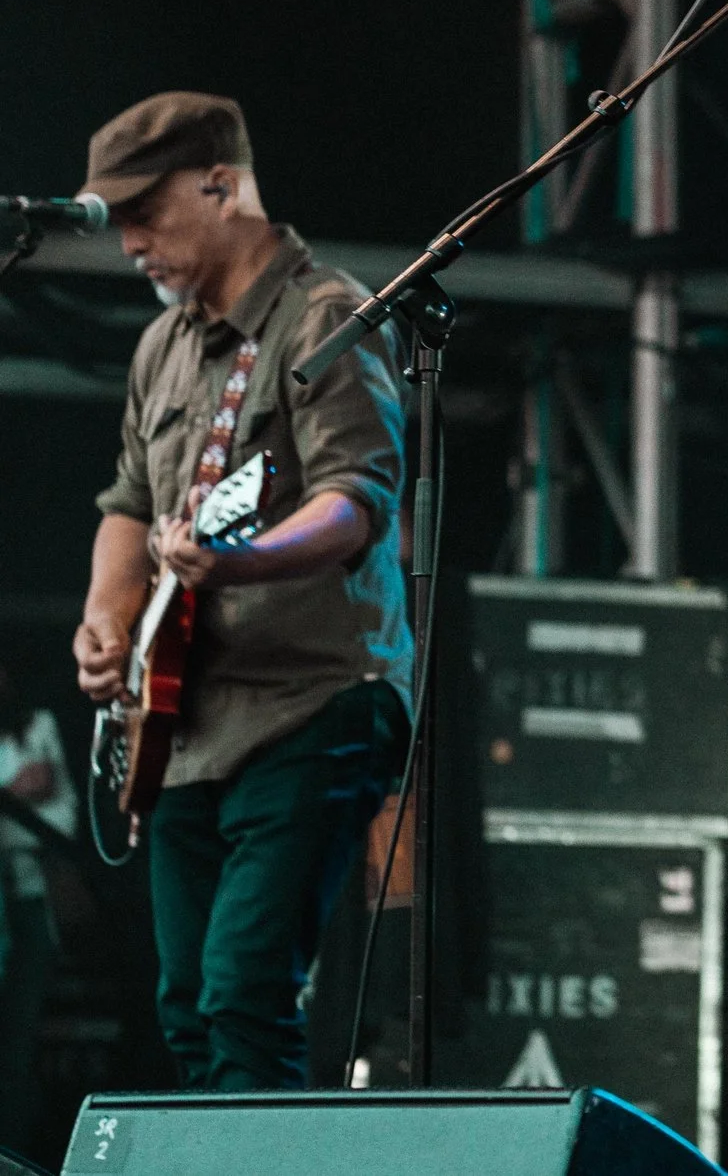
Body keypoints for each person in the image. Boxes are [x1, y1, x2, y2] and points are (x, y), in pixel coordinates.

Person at [68, 92, 411, 1091]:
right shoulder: (162, 346)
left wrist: (244, 561)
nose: (131, 241)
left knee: (243, 994)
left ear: (221, 185)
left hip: (313, 700)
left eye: (146, 212)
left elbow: (356, 499)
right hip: (181, 718)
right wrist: (107, 617)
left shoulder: (326, 316)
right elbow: (129, 503)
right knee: (185, 1004)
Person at [0, 662, 73, 1150]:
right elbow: (28, 789)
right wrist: (14, 791)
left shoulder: (36, 725)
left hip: (31, 896)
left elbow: (51, 795)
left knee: (20, 1035)